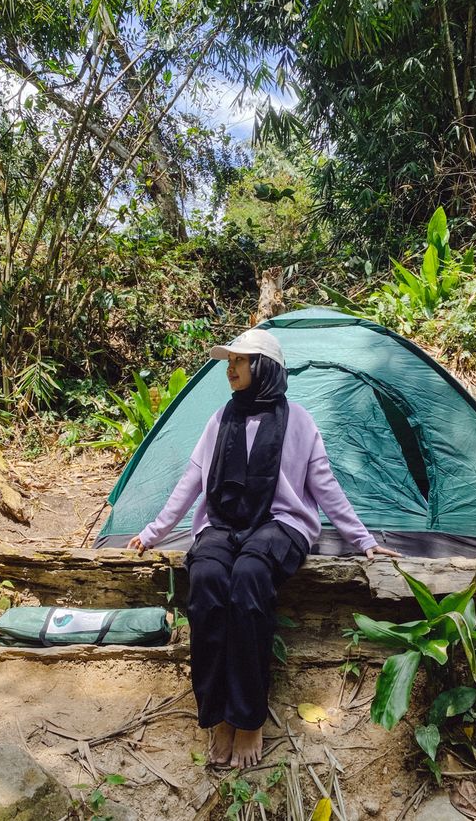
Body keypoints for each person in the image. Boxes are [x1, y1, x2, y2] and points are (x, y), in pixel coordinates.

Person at [128, 328, 399, 769]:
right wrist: (154, 531)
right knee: (209, 577)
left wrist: (363, 541)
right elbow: (192, 480)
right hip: (224, 523)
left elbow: (325, 489)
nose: (230, 369)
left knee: (250, 577)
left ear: (264, 368)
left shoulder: (299, 422)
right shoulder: (220, 420)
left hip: (280, 524)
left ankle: (248, 717)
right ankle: (218, 715)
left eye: (240, 361)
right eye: (229, 361)